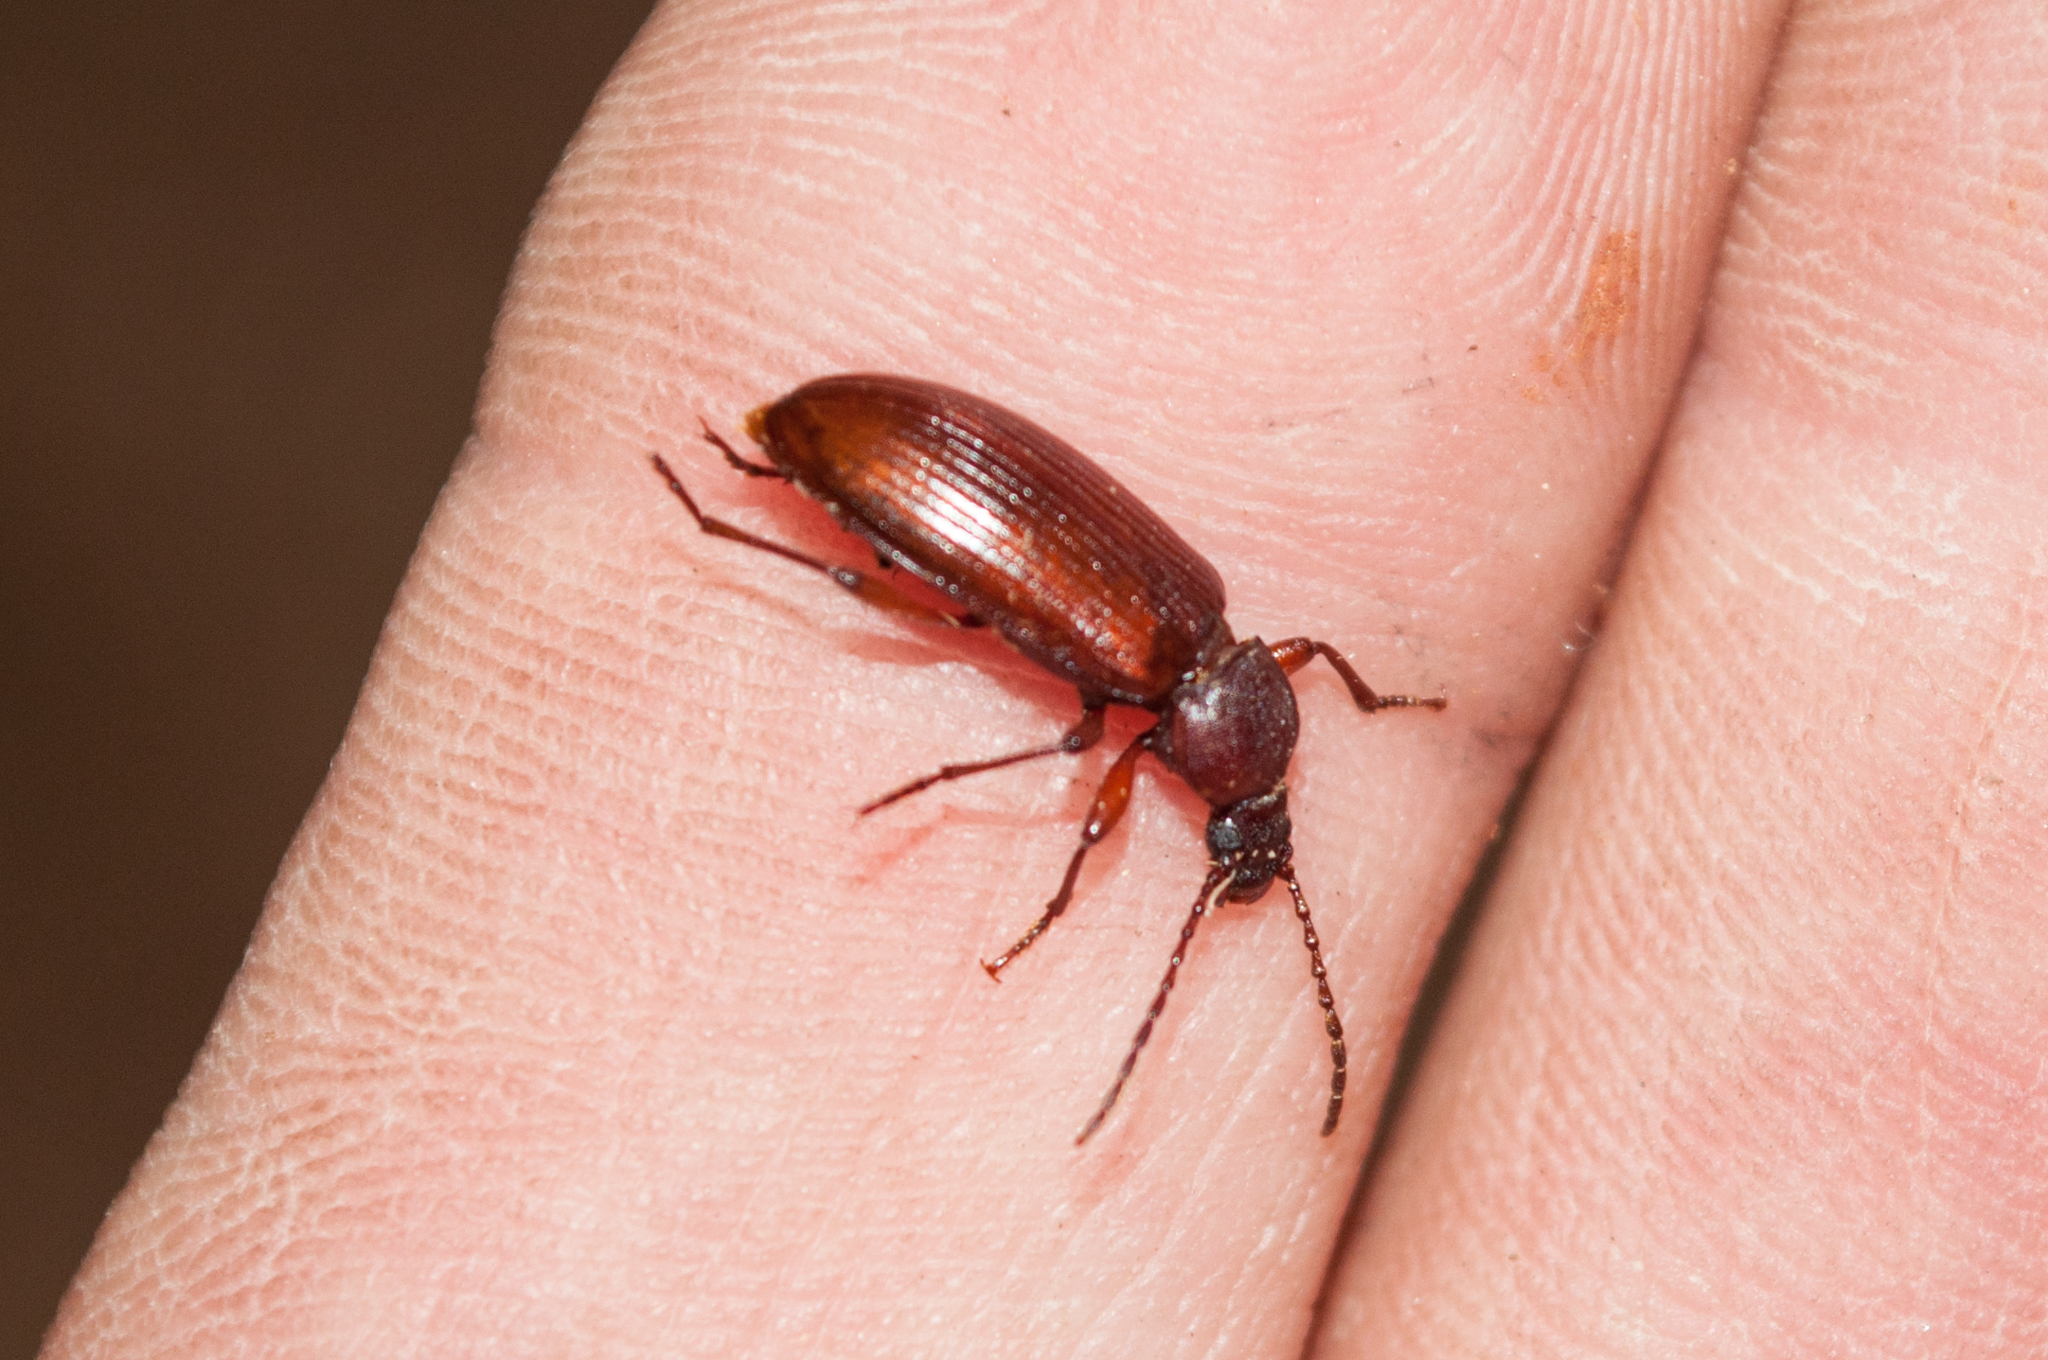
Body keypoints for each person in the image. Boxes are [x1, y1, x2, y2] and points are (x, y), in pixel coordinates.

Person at [45, 2, 2048, 1355]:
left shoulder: (1213, 630)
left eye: (1235, 812)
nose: (1233, 817)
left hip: (940, 468)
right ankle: (754, 514)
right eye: (1241, 807)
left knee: (954, 621)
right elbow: (980, 569)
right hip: (883, 456)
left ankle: (767, 513)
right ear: (1223, 737)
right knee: (922, 604)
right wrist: (1035, 867)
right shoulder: (1156, 665)